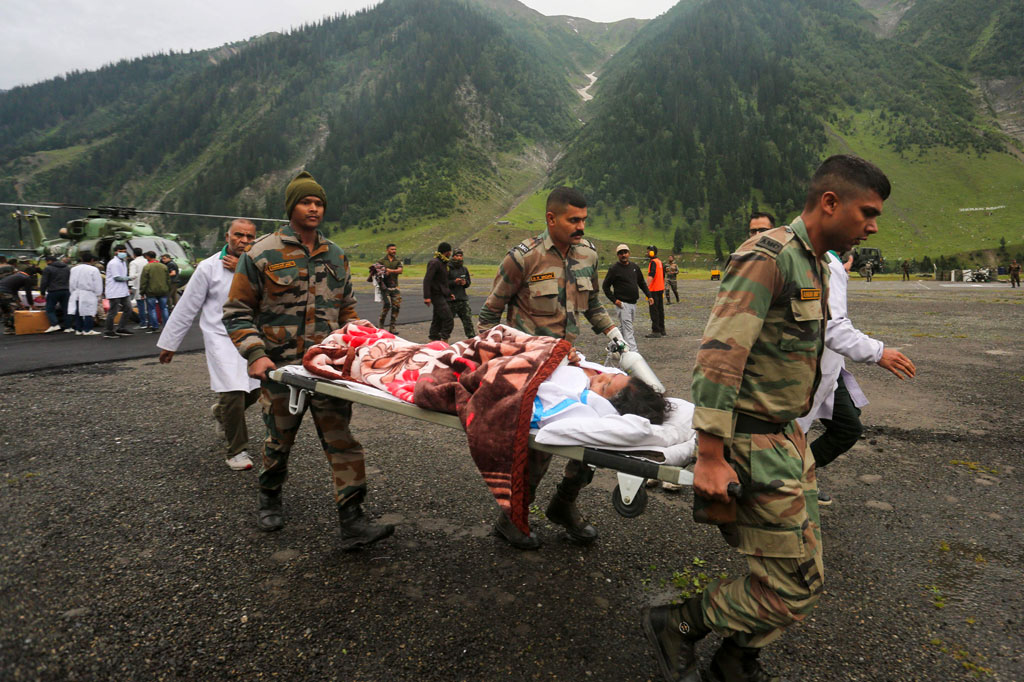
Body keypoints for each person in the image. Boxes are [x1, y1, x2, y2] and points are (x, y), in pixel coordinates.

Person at [643, 154, 892, 682]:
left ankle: (737, 659)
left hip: (788, 438)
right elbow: (719, 355)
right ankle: (680, 623)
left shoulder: (818, 264)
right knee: (792, 583)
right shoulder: (769, 256)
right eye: (867, 212)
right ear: (830, 202)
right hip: (752, 444)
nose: (872, 226)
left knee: (805, 572)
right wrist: (710, 454)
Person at [223, 171, 393, 549]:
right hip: (281, 372)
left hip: (329, 370)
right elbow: (236, 312)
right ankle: (269, 496)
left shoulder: (336, 254)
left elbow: (348, 311)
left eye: (318, 202)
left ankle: (352, 520)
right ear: (291, 208)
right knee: (278, 442)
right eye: (306, 202)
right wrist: (255, 355)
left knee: (342, 441)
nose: (314, 207)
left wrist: (364, 347)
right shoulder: (261, 253)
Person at [478, 186, 627, 550]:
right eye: (573, 220)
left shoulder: (587, 255)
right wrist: (510, 359)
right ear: (551, 218)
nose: (580, 226)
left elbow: (590, 304)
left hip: (567, 363)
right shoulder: (523, 259)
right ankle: (511, 519)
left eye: (584, 220)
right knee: (539, 449)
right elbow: (488, 319)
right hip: (529, 368)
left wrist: (612, 332)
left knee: (597, 431)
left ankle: (564, 503)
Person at [796, 250, 915, 505]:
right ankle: (796, 485)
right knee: (797, 433)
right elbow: (834, 327)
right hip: (805, 372)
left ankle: (801, 475)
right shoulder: (826, 265)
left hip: (829, 368)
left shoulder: (829, 264)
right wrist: (878, 352)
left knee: (848, 427)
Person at [159, 219, 262, 471]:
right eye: (239, 235)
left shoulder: (259, 265)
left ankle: (221, 413)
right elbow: (187, 306)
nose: (244, 241)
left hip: (251, 337)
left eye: (250, 237)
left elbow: (271, 296)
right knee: (233, 393)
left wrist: (244, 271)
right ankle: (236, 450)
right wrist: (170, 343)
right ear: (227, 236)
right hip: (221, 338)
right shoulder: (208, 268)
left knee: (255, 391)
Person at [601, 244, 652, 353]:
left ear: (629, 253)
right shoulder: (614, 269)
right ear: (618, 255)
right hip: (622, 304)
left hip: (633, 303)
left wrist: (649, 295)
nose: (623, 255)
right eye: (621, 253)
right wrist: (615, 300)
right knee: (629, 330)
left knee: (624, 328)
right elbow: (605, 286)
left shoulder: (634, 267)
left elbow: (642, 283)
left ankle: (611, 346)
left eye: (625, 252)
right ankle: (634, 354)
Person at [423, 242, 455, 342]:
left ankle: (433, 340)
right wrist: (427, 297)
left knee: (437, 319)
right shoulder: (435, 262)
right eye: (450, 251)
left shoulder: (443, 263)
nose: (451, 253)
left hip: (442, 294)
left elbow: (443, 282)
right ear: (447, 252)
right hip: (436, 295)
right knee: (448, 318)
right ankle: (444, 340)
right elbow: (427, 280)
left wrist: (449, 294)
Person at [68, 253, 103, 335]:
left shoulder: (74, 269)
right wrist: (98, 293)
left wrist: (72, 292)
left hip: (76, 292)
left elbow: (71, 282)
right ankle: (87, 329)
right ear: (92, 260)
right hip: (88, 292)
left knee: (78, 311)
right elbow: (97, 283)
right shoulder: (93, 269)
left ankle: (79, 329)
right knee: (88, 311)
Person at [103, 245, 134, 338]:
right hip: (114, 290)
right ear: (116, 252)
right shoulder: (114, 263)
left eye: (124, 251)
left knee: (128, 308)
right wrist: (130, 278)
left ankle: (121, 328)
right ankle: (108, 330)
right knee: (113, 311)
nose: (123, 253)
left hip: (122, 290)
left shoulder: (123, 262)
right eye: (121, 251)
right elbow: (117, 277)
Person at [0, 265, 40, 334]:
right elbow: (28, 293)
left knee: (6, 310)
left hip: (3, 292)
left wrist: (19, 301)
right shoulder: (26, 278)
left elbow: (14, 291)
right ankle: (12, 327)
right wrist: (31, 304)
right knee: (14, 310)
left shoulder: (17, 275)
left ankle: (8, 328)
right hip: (5, 293)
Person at [39, 255, 72, 333]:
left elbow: (44, 282)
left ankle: (54, 324)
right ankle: (68, 327)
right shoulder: (67, 268)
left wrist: (42, 292)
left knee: (50, 309)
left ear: (49, 261)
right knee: (66, 309)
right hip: (66, 290)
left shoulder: (48, 268)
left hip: (53, 291)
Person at [447, 248, 475, 339]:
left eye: (460, 256)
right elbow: (443, 283)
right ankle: (444, 339)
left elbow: (468, 283)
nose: (459, 258)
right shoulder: (447, 268)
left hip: (462, 299)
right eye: (457, 256)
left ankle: (472, 340)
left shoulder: (464, 269)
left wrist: (464, 283)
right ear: (453, 256)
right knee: (448, 322)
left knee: (468, 321)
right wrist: (454, 282)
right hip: (451, 300)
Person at [140, 251, 170, 332]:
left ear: (148, 257)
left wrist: (142, 292)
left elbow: (144, 281)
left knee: (152, 309)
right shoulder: (163, 266)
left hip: (151, 291)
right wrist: (168, 289)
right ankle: (166, 326)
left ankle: (155, 326)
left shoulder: (147, 267)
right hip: (163, 290)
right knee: (164, 308)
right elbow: (168, 279)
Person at [376, 243, 402, 333]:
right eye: (392, 249)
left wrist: (390, 271)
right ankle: (381, 325)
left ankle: (392, 326)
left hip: (395, 287)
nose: (394, 251)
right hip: (385, 287)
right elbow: (377, 270)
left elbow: (400, 270)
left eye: (395, 249)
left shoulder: (397, 260)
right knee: (387, 306)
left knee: (396, 306)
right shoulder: (382, 260)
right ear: (387, 250)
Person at [645, 245, 666, 337]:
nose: (647, 253)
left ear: (652, 252)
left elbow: (651, 275)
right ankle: (662, 330)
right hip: (660, 289)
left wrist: (646, 287)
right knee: (660, 310)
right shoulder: (659, 262)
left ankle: (656, 331)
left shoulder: (653, 262)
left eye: (648, 251)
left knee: (654, 311)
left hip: (653, 290)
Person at [128, 247, 149, 328]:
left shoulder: (133, 263)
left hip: (137, 286)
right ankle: (149, 322)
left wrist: (130, 286)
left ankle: (143, 322)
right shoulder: (146, 261)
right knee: (148, 305)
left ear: (134, 254)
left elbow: (132, 276)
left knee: (140, 305)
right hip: (147, 285)